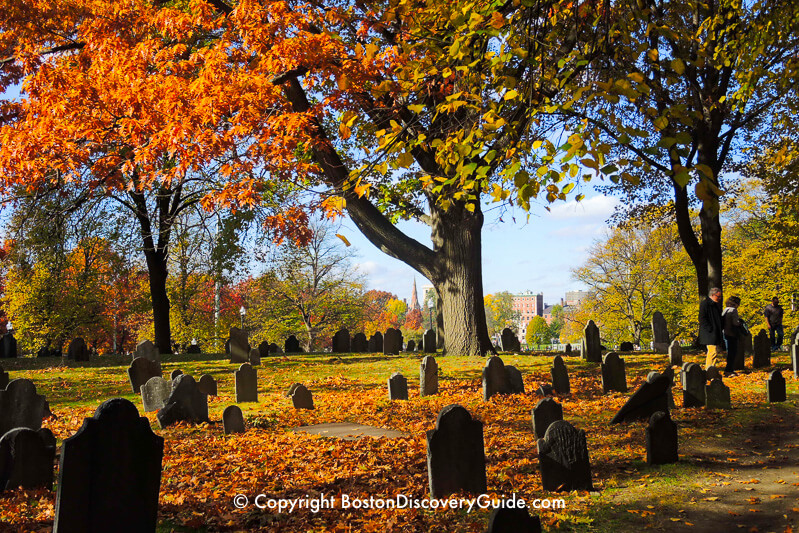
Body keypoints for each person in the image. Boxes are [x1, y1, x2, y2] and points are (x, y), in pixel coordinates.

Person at [699, 287, 725, 369]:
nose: (720, 298)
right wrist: (709, 328)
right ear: (713, 295)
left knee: (714, 351)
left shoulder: (715, 305)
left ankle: (711, 368)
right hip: (709, 333)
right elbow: (702, 318)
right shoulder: (705, 304)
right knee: (712, 351)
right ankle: (709, 369)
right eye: (718, 296)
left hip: (714, 331)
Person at [722, 296, 742, 377]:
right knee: (732, 353)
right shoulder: (733, 310)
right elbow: (735, 323)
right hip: (732, 333)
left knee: (729, 352)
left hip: (725, 332)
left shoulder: (725, 309)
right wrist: (740, 323)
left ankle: (729, 369)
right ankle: (729, 370)